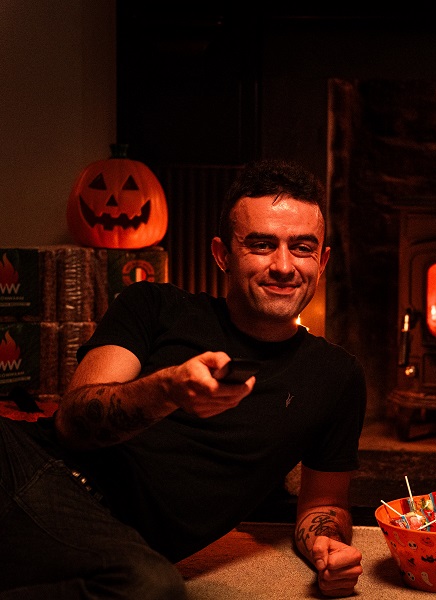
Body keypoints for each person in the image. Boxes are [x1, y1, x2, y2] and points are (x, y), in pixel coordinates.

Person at [0, 159, 367, 598]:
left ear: (322, 261)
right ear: (221, 255)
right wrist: (167, 390)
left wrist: (328, 545)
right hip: (32, 469)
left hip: (115, 543)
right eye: (262, 245)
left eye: (302, 248)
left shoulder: (337, 377)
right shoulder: (154, 306)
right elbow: (73, 422)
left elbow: (324, 503)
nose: (285, 266)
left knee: (149, 586)